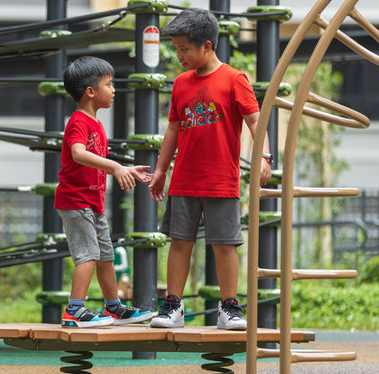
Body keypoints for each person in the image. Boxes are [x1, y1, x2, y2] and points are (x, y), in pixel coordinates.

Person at [147, 8, 272, 330]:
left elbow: (255, 120)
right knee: (179, 242)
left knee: (225, 244)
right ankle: (173, 305)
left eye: (184, 49)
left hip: (221, 180)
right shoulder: (181, 83)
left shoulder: (234, 79)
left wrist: (264, 157)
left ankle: (229, 307)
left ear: (207, 45)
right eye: (176, 49)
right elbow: (173, 129)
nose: (180, 56)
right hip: (184, 179)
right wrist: (161, 170)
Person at [56, 56, 154, 328]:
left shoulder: (96, 124)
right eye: (109, 84)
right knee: (87, 256)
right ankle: (74, 311)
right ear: (90, 92)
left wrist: (125, 169)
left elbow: (95, 161)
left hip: (93, 204)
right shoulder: (78, 121)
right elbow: (78, 153)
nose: (113, 90)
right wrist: (115, 166)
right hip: (76, 202)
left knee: (105, 257)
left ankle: (113, 307)